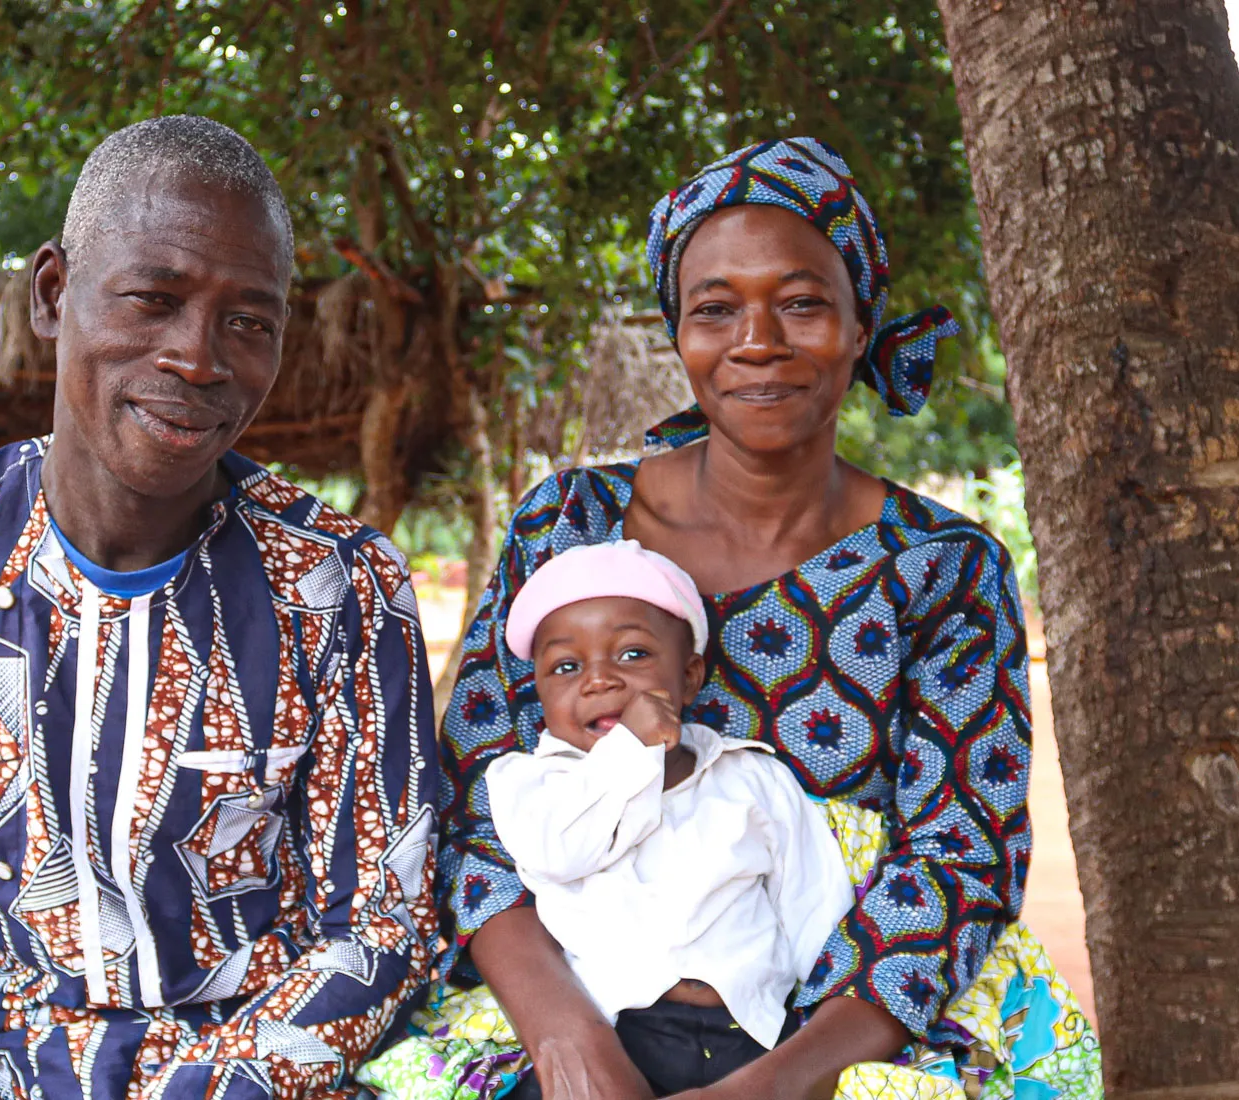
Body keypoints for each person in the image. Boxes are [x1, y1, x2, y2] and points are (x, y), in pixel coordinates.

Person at [436, 138, 1102, 1100]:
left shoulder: (944, 569)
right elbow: (473, 804)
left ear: (860, 322)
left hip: (845, 1015)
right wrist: (568, 1040)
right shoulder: (570, 525)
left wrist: (778, 1080)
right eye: (715, 309)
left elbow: (961, 855)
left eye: (801, 302)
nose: (758, 341)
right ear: (679, 333)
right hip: (567, 986)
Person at [0, 116, 439, 1100]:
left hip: (251, 1076)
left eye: (248, 320)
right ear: (55, 293)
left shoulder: (342, 585)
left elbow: (380, 923)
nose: (197, 357)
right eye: (155, 298)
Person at [485, 540, 854, 1098]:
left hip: (750, 1040)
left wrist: (820, 1030)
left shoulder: (751, 777)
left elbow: (817, 910)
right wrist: (631, 747)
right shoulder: (529, 784)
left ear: (690, 674)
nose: (599, 680)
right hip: (613, 1041)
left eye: (632, 655)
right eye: (566, 666)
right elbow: (560, 853)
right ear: (539, 692)